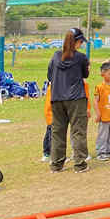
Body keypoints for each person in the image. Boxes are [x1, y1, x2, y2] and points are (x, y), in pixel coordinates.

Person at [47, 27, 90, 173]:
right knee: (78, 131)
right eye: (80, 42)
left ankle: (56, 164)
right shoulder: (81, 57)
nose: (81, 45)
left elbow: (49, 76)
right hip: (76, 98)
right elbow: (85, 74)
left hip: (57, 97)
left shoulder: (55, 56)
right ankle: (79, 164)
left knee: (57, 131)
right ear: (77, 42)